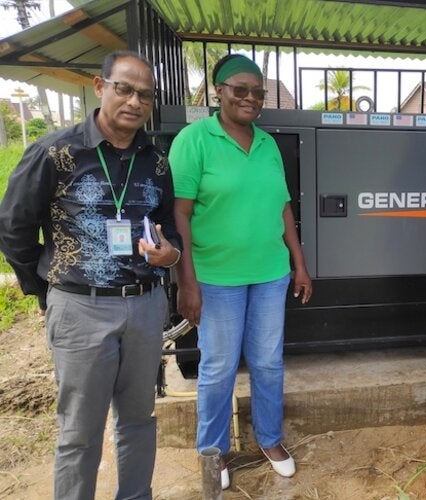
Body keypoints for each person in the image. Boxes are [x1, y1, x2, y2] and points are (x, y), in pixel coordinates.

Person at [0, 50, 182, 499]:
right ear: (101, 88)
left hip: (144, 305)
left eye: (145, 94)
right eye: (124, 89)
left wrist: (170, 256)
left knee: (139, 419)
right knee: (80, 432)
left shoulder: (155, 162)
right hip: (80, 307)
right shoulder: (54, 152)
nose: (135, 102)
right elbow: (14, 226)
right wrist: (45, 289)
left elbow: (171, 230)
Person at [169, 54, 312, 489]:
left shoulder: (267, 144)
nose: (250, 98)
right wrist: (186, 281)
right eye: (240, 90)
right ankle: (214, 451)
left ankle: (270, 439)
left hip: (270, 273)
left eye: (257, 92)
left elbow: (283, 207)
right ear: (219, 91)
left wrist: (299, 265)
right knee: (218, 367)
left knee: (268, 362)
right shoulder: (194, 140)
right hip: (215, 277)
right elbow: (180, 214)